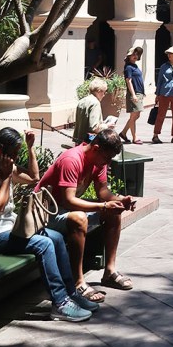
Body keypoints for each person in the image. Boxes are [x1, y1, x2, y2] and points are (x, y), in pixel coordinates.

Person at [0, 127, 96, 322]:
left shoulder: (4, 166)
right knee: (43, 244)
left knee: (57, 237)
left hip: (8, 231)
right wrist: (7, 175)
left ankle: (71, 293)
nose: (15, 158)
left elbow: (34, 177)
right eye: (14, 153)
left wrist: (30, 148)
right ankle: (60, 303)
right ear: (1, 152)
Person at [36, 128, 136, 299]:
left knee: (114, 213)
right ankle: (78, 282)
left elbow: (102, 192)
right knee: (79, 218)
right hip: (46, 213)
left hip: (65, 208)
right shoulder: (71, 159)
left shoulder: (98, 161)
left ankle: (109, 272)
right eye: (107, 158)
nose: (108, 163)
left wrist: (119, 200)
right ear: (96, 148)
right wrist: (104, 206)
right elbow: (68, 200)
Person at [152, 45, 173, 144]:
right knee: (161, 115)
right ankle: (155, 135)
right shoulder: (164, 66)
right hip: (164, 93)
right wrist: (157, 94)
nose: (169, 55)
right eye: (168, 54)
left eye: (171, 54)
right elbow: (160, 80)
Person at [72, 77, 110, 144]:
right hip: (89, 140)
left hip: (79, 139)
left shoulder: (82, 101)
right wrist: (107, 126)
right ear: (99, 91)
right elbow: (94, 127)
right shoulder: (95, 103)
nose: (104, 95)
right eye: (104, 92)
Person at [120, 45, 145, 145]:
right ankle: (135, 137)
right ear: (129, 56)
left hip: (139, 93)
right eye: (133, 54)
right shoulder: (128, 67)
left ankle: (123, 133)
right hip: (134, 93)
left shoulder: (135, 66)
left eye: (136, 54)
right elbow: (129, 81)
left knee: (136, 115)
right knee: (134, 116)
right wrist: (133, 95)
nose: (135, 56)